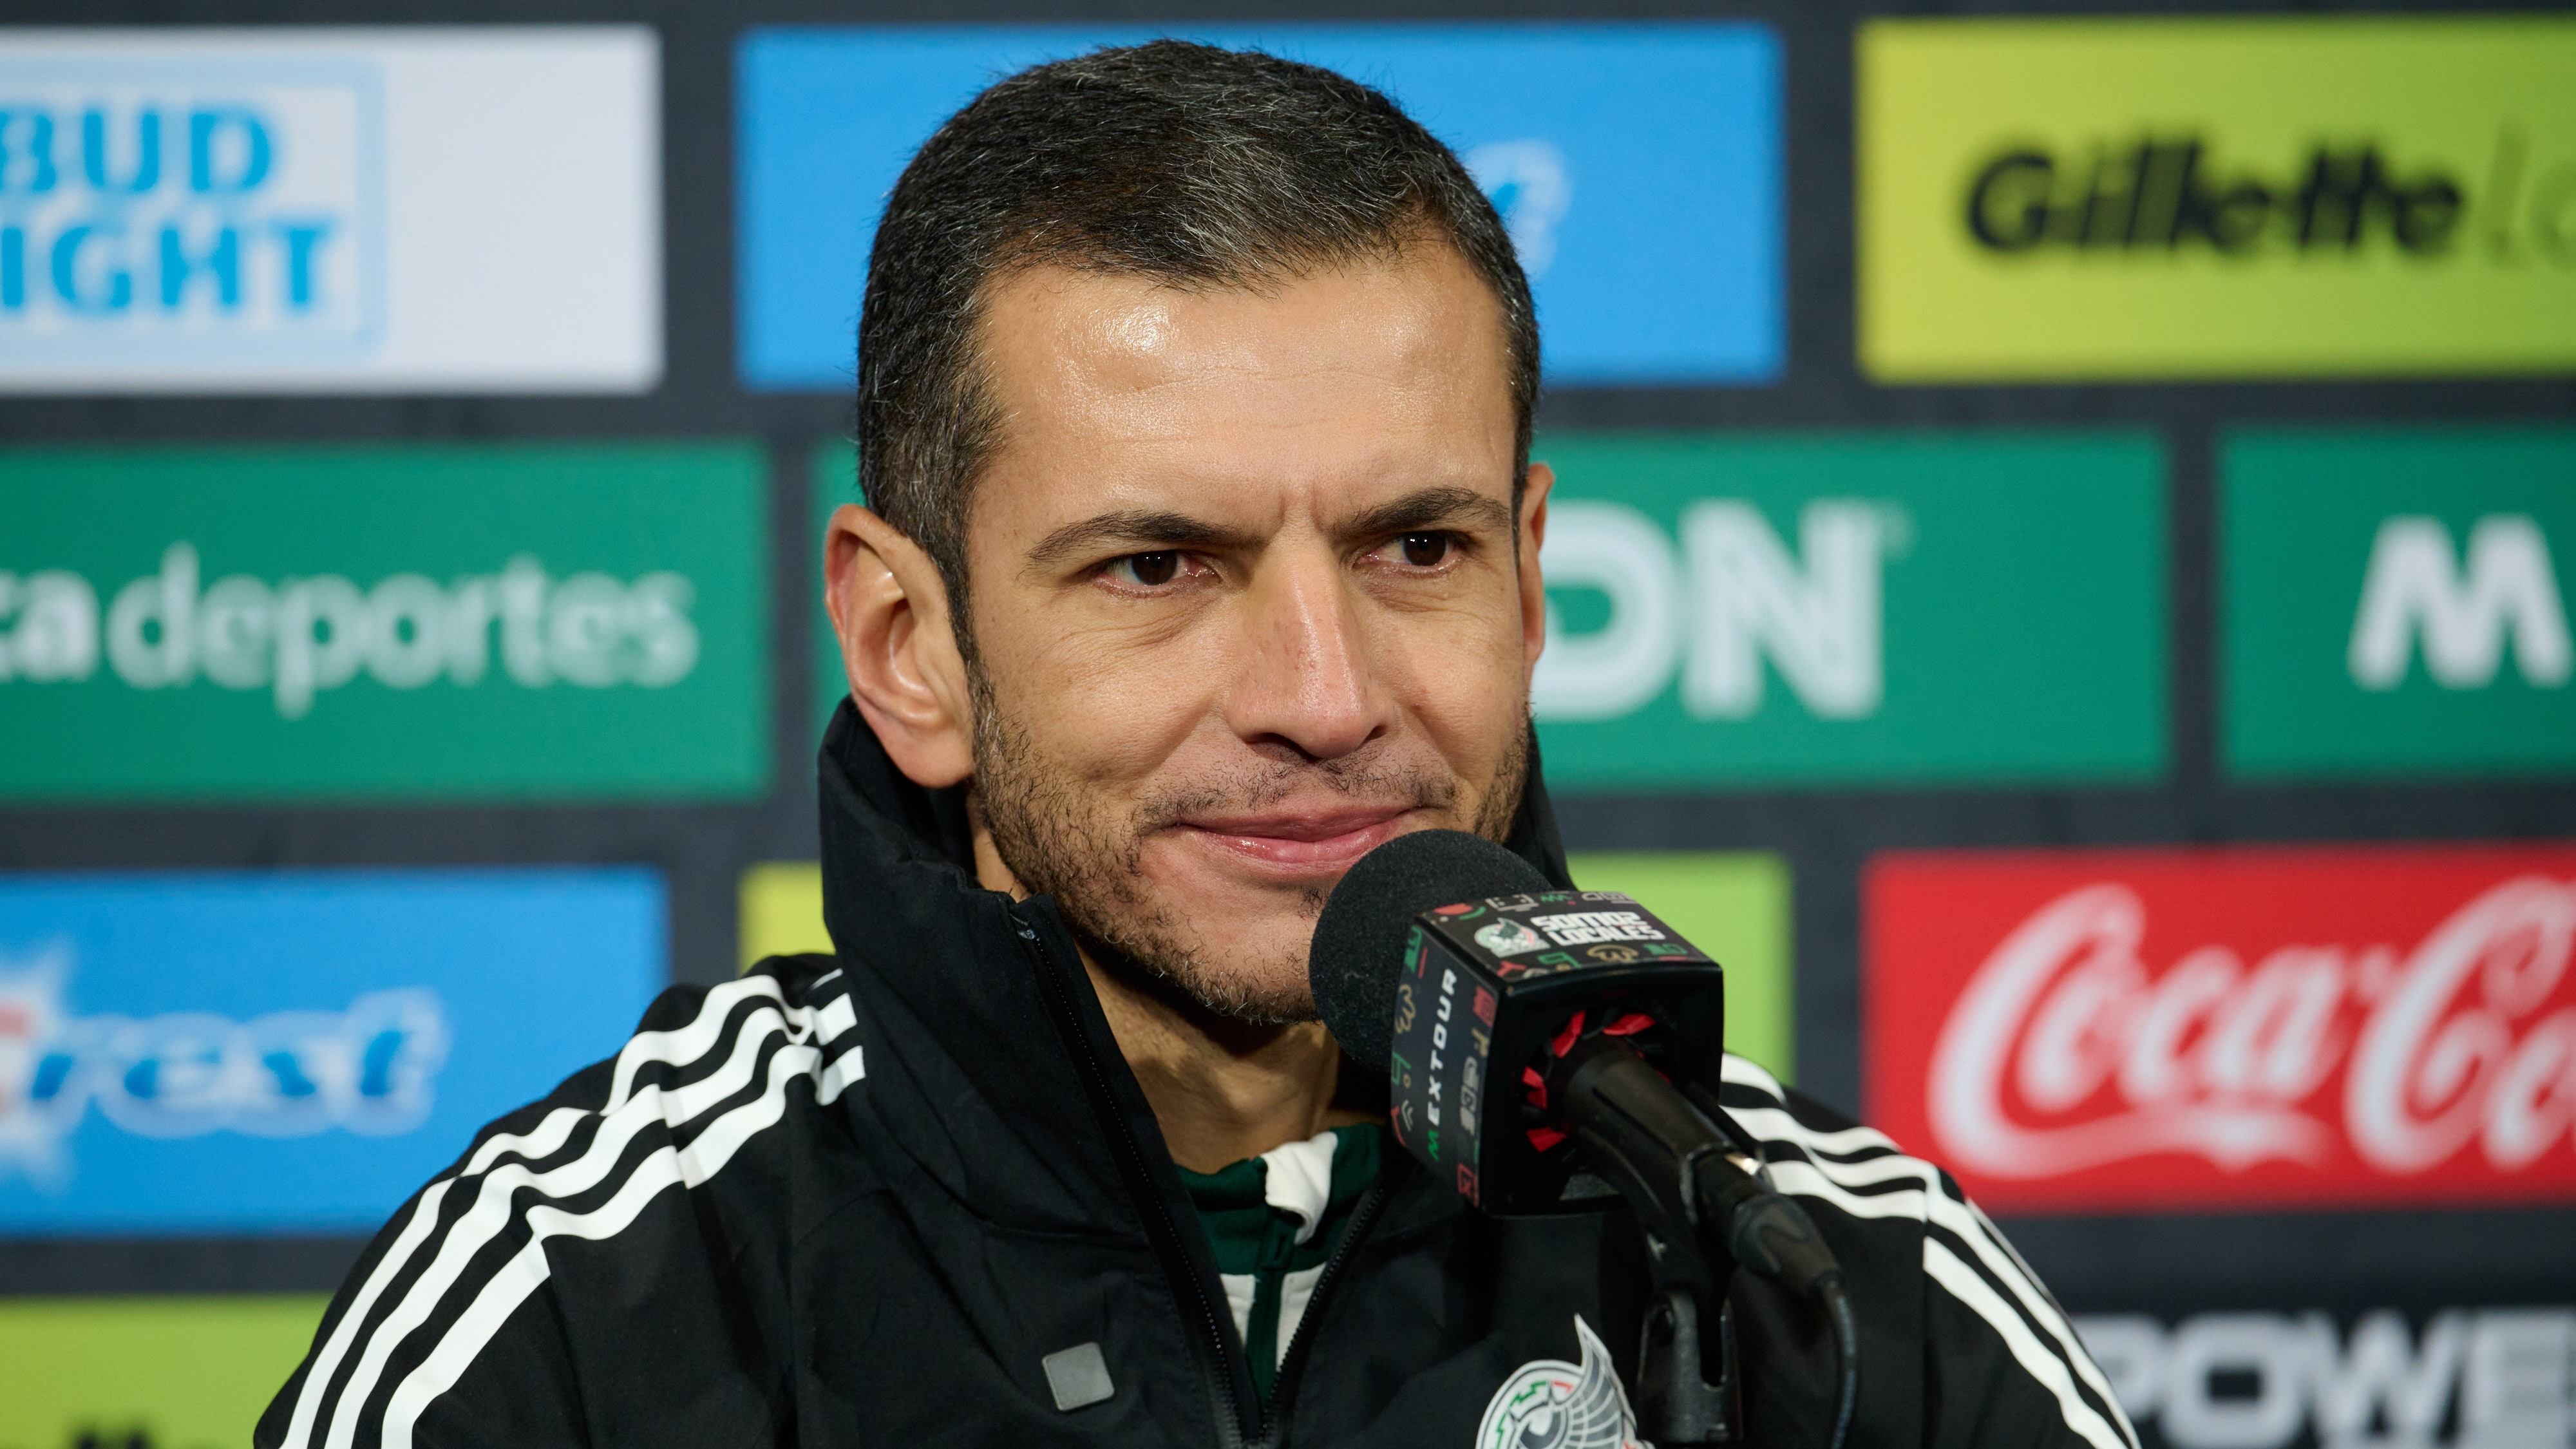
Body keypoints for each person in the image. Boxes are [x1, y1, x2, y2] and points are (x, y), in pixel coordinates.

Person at [261, 41, 2136, 1449]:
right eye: (1159, 564)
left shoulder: (1832, 1281)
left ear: (1534, 575)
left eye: (1420, 547)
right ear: (908, 646)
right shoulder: (591, 1300)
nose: (1325, 694)